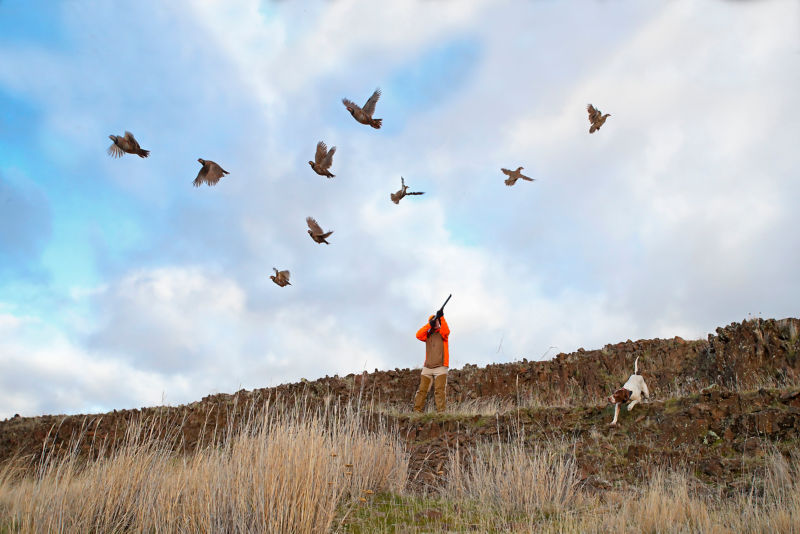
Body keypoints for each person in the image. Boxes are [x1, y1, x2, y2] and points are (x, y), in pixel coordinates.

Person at [413, 311, 450, 413]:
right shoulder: (427, 335)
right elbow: (418, 335)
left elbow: (446, 331)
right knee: (422, 391)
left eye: (437, 321)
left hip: (441, 367)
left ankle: (441, 413)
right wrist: (430, 324)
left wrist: (441, 317)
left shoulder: (443, 334)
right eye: (435, 321)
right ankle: (417, 412)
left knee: (439, 391)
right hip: (428, 367)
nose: (436, 323)